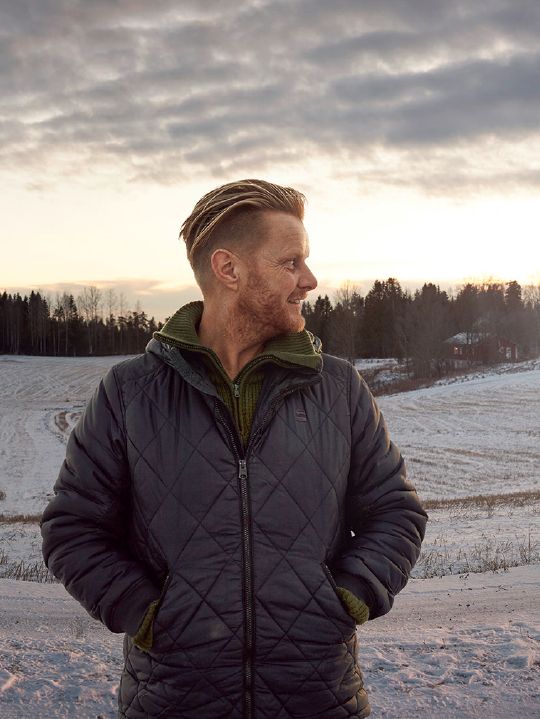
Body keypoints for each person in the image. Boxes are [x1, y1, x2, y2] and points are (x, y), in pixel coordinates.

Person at [41, 179, 427, 719]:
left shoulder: (338, 388)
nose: (310, 280)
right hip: (174, 700)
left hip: (317, 697)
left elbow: (396, 510)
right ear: (228, 270)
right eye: (291, 262)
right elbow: (72, 528)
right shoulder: (130, 392)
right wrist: (148, 612)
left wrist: (348, 596)